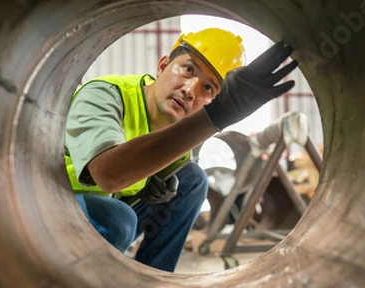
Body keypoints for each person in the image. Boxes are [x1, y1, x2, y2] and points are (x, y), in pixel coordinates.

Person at [65, 28, 297, 272]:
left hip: (105, 203)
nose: (190, 90)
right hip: (54, 202)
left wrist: (143, 191)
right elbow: (108, 175)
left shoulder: (182, 141)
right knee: (119, 219)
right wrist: (216, 116)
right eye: (188, 70)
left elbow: (122, 188)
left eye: (208, 88)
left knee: (193, 179)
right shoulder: (106, 95)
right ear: (163, 65)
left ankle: (152, 280)